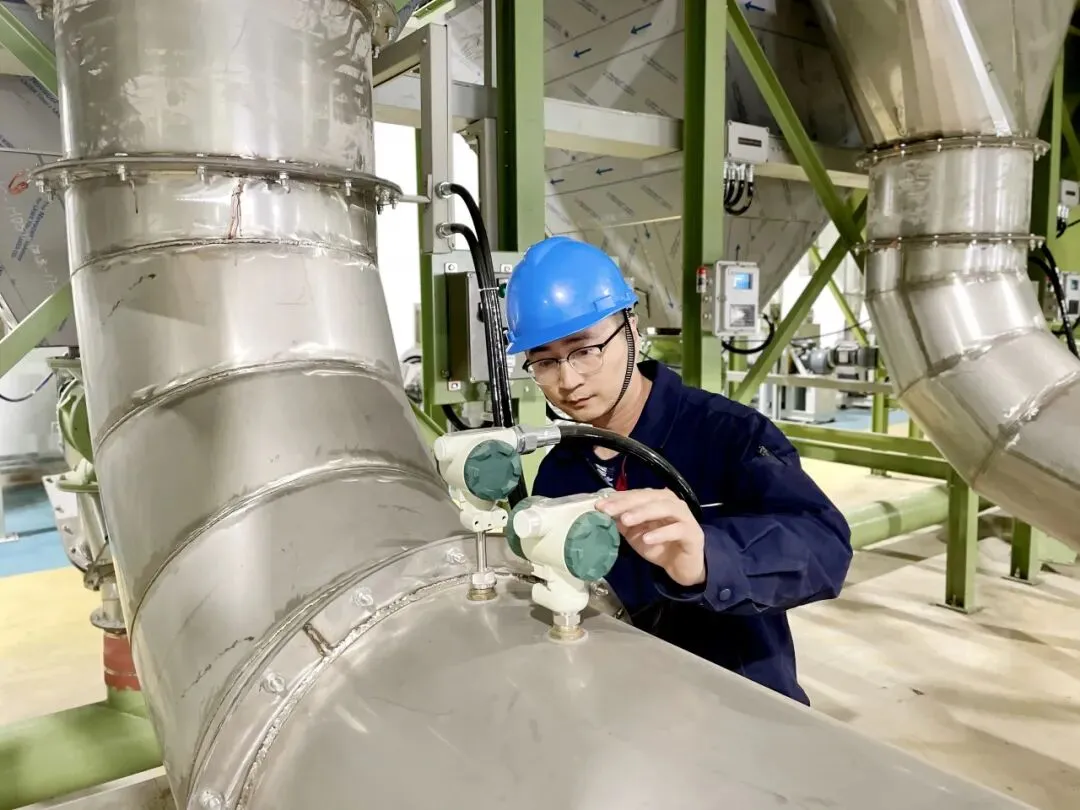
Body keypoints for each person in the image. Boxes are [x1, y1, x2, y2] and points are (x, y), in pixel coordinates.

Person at [504, 236, 852, 705]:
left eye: (584, 349)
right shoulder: (559, 471)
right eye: (545, 361)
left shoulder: (728, 435)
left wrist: (710, 556)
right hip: (622, 702)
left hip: (737, 702)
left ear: (630, 327)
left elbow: (826, 547)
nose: (568, 380)